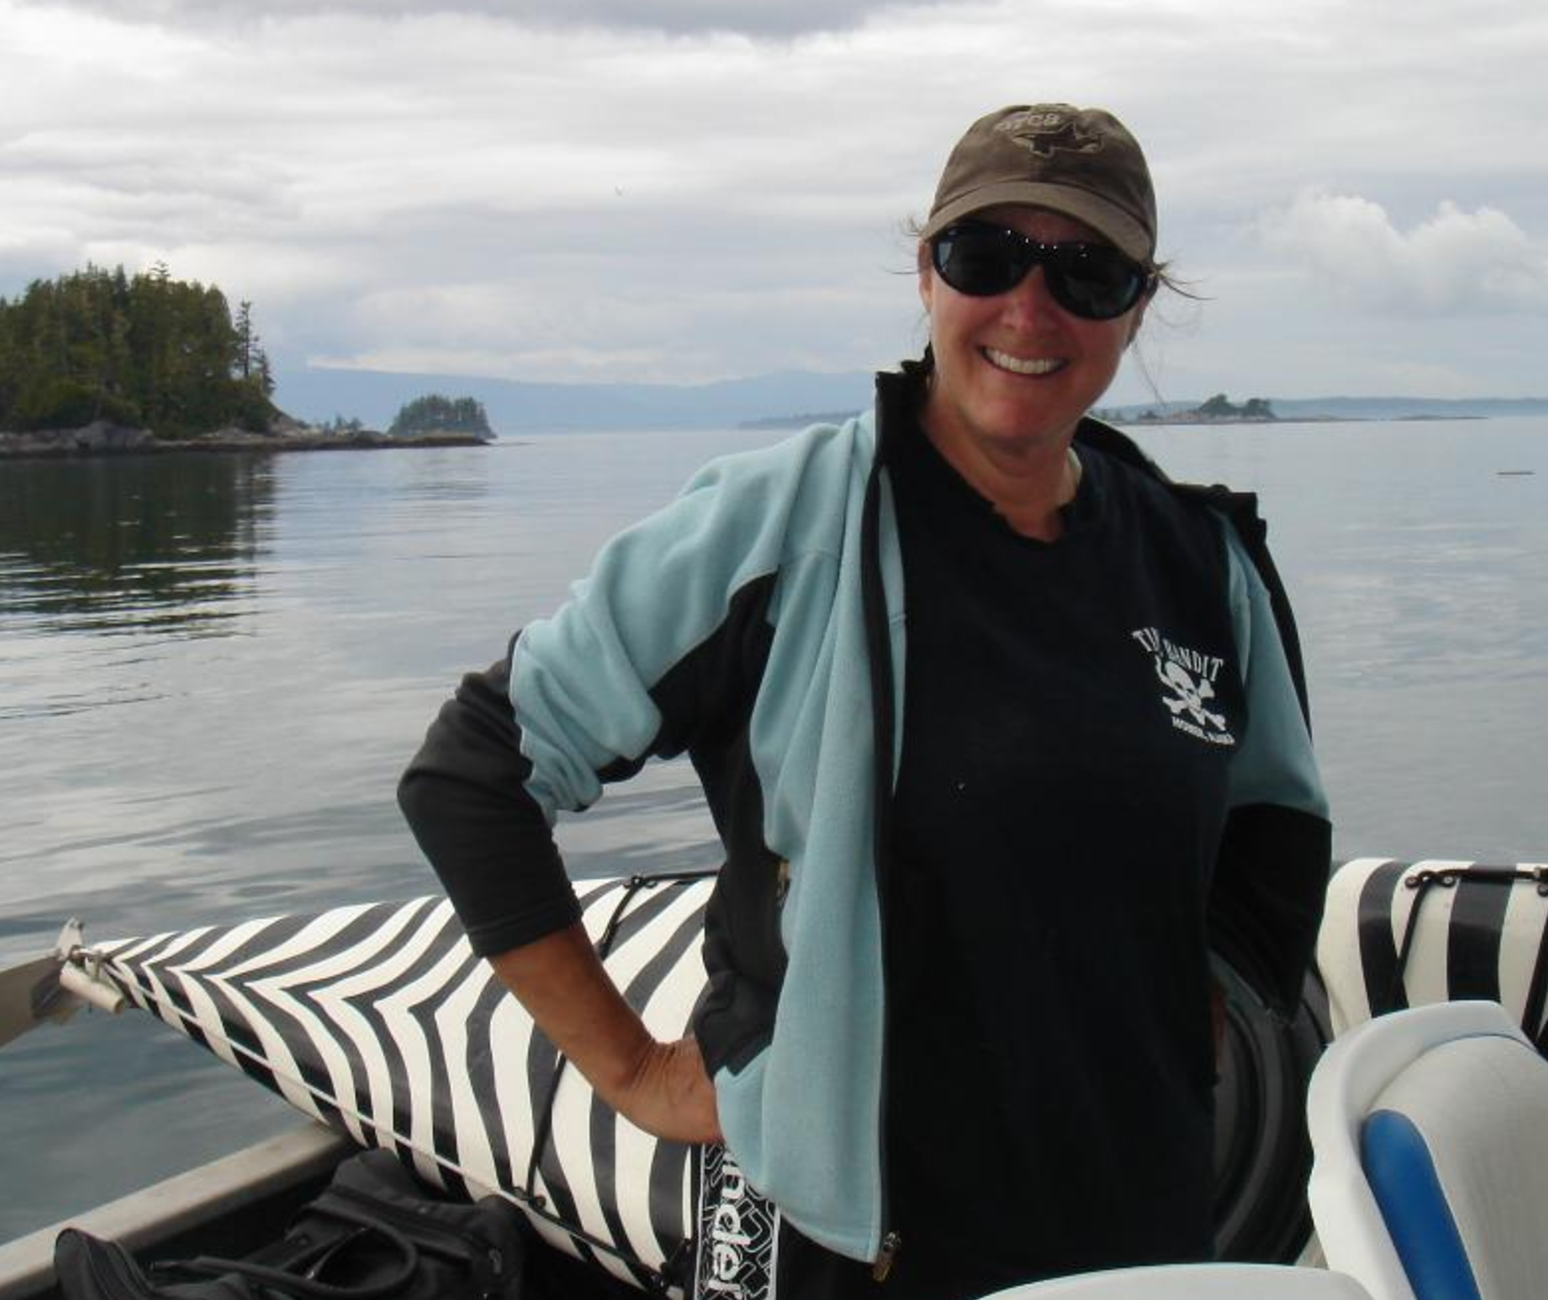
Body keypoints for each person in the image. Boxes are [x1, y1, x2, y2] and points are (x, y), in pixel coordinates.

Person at [399, 102, 1331, 1299]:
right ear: (926, 271)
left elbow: (1273, 830)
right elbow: (474, 771)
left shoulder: (1199, 562)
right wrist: (632, 1068)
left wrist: (1195, 1002)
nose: (1028, 311)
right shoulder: (781, 526)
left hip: (1134, 1216)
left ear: (1139, 305)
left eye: (1085, 272)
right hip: (840, 1237)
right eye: (985, 257)